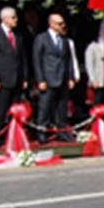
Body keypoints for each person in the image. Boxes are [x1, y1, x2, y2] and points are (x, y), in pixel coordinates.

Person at [0, 7, 28, 146]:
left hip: (16, 78)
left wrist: (25, 77)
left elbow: (22, 59)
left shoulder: (18, 36)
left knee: (14, 109)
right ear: (4, 19)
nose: (16, 20)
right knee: (0, 109)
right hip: (2, 79)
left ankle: (13, 134)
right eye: (13, 18)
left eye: (15, 17)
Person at [32, 12, 75, 143]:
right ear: (51, 24)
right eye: (59, 23)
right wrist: (40, 79)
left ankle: (61, 130)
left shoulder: (64, 40)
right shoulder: (42, 39)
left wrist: (70, 77)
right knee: (45, 106)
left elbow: (68, 61)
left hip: (62, 77)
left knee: (61, 107)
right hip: (48, 78)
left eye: (63, 23)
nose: (62, 26)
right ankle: (41, 131)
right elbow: (37, 60)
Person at [84, 22, 104, 113]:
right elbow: (89, 64)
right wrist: (92, 79)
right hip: (98, 81)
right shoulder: (92, 47)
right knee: (98, 103)